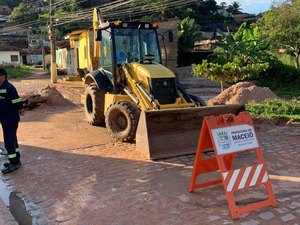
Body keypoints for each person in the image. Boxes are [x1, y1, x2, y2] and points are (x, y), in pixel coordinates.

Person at [0, 68, 24, 174]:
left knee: (9, 142)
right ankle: (16, 160)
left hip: (10, 118)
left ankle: (14, 163)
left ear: (3, 76)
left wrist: (20, 109)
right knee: (13, 139)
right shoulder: (1, 87)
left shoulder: (8, 87)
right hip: (5, 118)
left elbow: (16, 100)